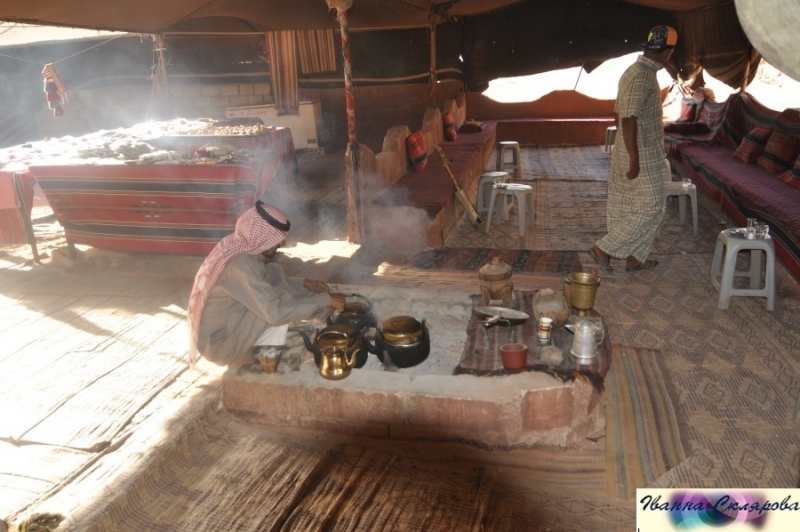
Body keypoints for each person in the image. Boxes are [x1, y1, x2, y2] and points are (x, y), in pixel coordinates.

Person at [187, 201, 345, 367]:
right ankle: (253, 355)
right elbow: (275, 312)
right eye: (277, 237)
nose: (282, 243)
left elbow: (267, 277)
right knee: (277, 306)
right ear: (261, 236)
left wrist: (305, 283)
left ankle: (314, 310)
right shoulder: (240, 265)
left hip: (230, 323)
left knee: (273, 273)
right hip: (221, 344)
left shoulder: (239, 245)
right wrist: (325, 300)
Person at [590, 25, 678, 273]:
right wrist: (634, 158)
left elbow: (620, 113)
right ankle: (603, 248)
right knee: (652, 206)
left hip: (635, 148)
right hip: (640, 151)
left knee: (633, 204)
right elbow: (628, 118)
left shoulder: (639, 72)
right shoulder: (641, 76)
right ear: (668, 52)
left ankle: (635, 258)